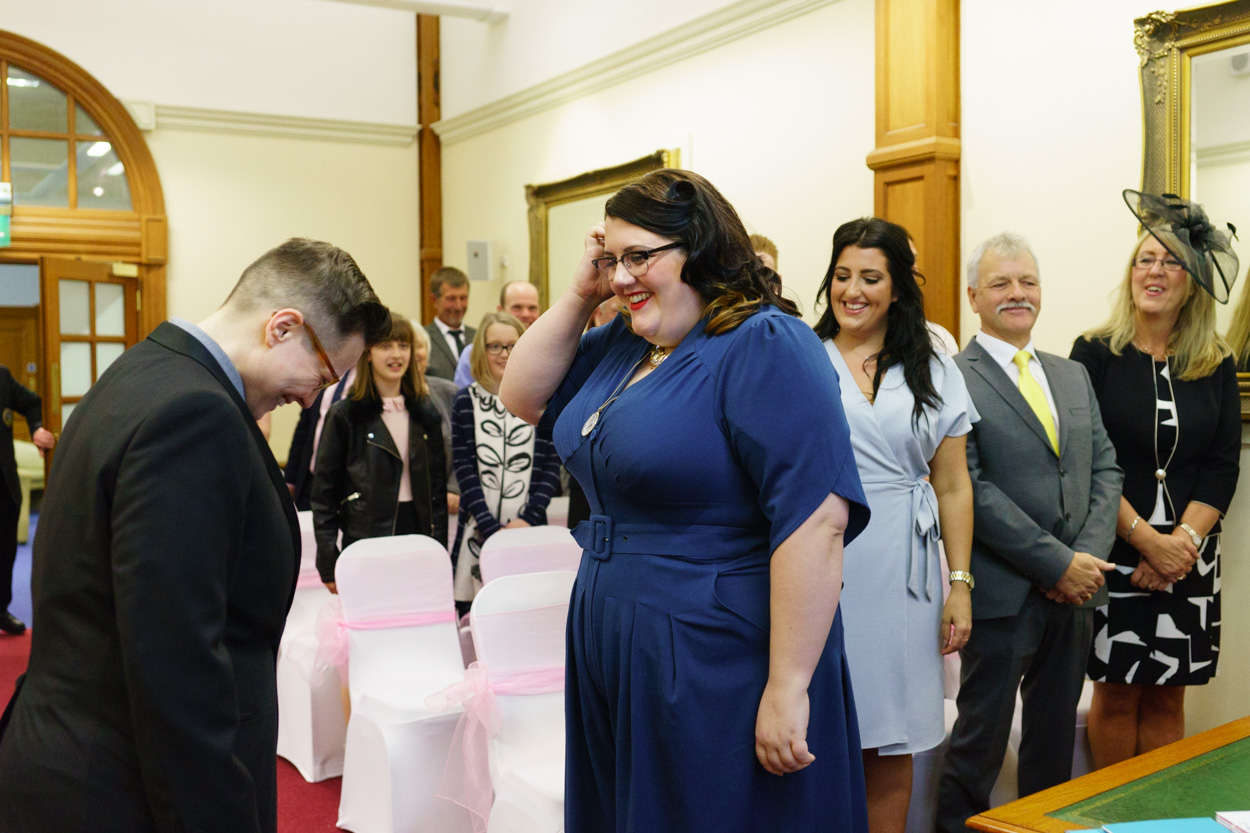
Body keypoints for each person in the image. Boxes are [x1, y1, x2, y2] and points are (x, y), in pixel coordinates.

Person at [501, 169, 871, 832]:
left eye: (639, 256)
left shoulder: (764, 343)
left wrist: (787, 687)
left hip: (714, 647)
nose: (621, 276)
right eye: (612, 258)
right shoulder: (625, 341)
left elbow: (817, 521)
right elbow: (520, 397)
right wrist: (581, 293)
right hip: (617, 630)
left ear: (698, 248)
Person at [0, 238, 389, 833]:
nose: (312, 396)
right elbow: (175, 664)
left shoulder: (142, 369)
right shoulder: (195, 416)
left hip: (79, 752)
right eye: (324, 373)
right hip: (121, 782)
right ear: (282, 327)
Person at [937, 232, 1122, 833]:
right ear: (973, 296)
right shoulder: (952, 377)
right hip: (1002, 595)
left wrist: (1085, 560)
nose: (1017, 294)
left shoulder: (1071, 375)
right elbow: (970, 485)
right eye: (1001, 283)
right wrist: (1054, 564)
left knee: (1051, 748)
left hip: (1074, 596)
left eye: (1028, 282)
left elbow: (1105, 468)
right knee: (977, 749)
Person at [815, 217, 974, 833]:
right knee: (821, 731)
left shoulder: (932, 365)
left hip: (908, 570)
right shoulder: (805, 357)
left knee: (893, 741)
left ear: (899, 288)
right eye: (842, 275)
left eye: (871, 277)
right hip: (824, 558)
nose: (853, 290)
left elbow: (954, 484)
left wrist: (959, 582)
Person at [1070, 191, 1240, 769]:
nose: (1156, 271)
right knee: (1114, 697)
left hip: (1191, 561)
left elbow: (1222, 465)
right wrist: (1147, 540)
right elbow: (1088, 457)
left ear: (1191, 282)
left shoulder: (1215, 361)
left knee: (1168, 699)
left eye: (1170, 262)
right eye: (1146, 259)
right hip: (1116, 551)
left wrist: (1181, 547)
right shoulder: (1094, 354)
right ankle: (1112, 823)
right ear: (1130, 273)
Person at [311, 312, 449, 592]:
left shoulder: (426, 415)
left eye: (403, 345)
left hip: (419, 534)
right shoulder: (345, 416)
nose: (396, 354)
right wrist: (327, 558)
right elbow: (324, 495)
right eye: (386, 346)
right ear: (368, 354)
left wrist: (441, 550)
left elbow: (437, 493)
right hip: (367, 534)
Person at [450, 311, 560, 607]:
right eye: (494, 346)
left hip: (529, 529)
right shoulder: (465, 402)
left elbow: (551, 466)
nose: (503, 353)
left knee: (528, 608)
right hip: (479, 530)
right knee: (477, 613)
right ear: (481, 351)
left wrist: (527, 518)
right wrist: (490, 527)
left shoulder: (540, 397)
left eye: (512, 345)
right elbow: (465, 470)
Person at [0, 366, 55, 635]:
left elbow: (32, 401)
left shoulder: (1, 376)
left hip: (3, 484)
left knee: (6, 549)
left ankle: (1, 609)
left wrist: (36, 429)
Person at [283, 364, 355, 510]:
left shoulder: (369, 380)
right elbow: (304, 429)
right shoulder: (327, 372)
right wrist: (291, 479)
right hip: (311, 483)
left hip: (347, 491)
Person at [453, 279, 542, 387]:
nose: (525, 314)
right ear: (501, 310)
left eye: (532, 308)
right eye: (517, 307)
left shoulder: (548, 352)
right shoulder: (472, 354)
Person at [413, 323, 461, 522]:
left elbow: (465, 445)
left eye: (419, 346)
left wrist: (454, 487)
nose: (415, 353)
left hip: (449, 506)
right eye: (407, 345)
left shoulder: (450, 392)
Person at [424, 266, 474, 381]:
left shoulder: (479, 338)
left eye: (463, 298)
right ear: (434, 300)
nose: (458, 306)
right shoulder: (422, 338)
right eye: (451, 299)